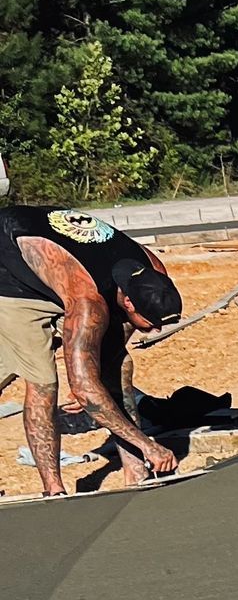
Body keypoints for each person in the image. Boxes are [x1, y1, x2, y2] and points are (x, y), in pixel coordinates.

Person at [0, 203, 183, 494]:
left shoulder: (153, 269)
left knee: (118, 368)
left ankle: (136, 472)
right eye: (148, 325)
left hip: (58, 267)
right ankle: (54, 490)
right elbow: (86, 391)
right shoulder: (89, 304)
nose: (155, 331)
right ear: (128, 303)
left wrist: (88, 372)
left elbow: (108, 354)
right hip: (9, 275)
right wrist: (148, 444)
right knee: (43, 382)